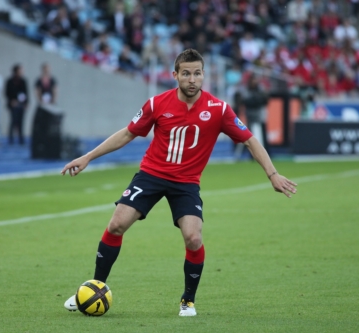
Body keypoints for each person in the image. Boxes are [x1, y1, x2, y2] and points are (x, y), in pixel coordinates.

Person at [60, 49, 297, 317]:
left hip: (186, 183)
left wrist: (272, 174)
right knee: (116, 224)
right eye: (186, 73)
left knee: (193, 238)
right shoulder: (156, 104)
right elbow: (128, 133)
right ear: (175, 75)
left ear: (204, 75)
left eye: (197, 73)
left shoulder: (218, 110)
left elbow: (250, 140)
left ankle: (188, 300)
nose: (192, 79)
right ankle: (95, 287)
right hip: (151, 175)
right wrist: (88, 157)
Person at [5, 64, 28, 145]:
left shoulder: (23, 81)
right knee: (13, 122)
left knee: (21, 123)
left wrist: (26, 103)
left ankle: (21, 140)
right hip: (13, 105)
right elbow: (7, 93)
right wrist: (12, 101)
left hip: (21, 105)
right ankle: (11, 139)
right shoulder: (9, 81)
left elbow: (26, 93)